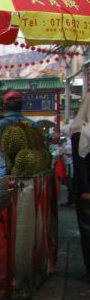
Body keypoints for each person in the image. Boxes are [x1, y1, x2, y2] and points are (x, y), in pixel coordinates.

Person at [70, 96, 90, 282]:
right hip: (87, 191)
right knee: (88, 230)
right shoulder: (80, 131)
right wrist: (85, 189)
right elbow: (79, 163)